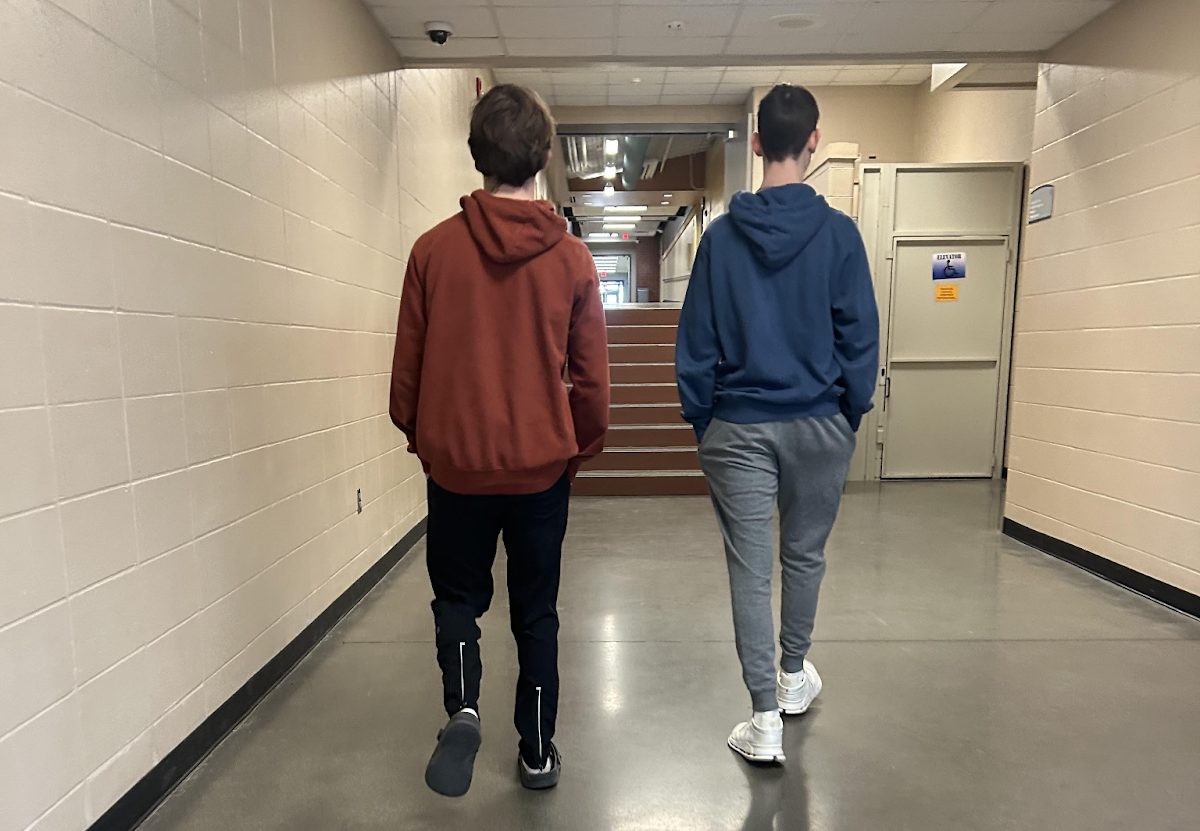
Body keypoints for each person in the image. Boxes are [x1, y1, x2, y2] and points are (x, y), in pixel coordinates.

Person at [389, 84, 610, 796]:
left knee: (457, 598)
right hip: (541, 471)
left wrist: (431, 444)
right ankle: (538, 749)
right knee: (537, 610)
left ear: (476, 155)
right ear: (544, 155)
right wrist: (572, 449)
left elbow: (406, 378)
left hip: (457, 470)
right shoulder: (573, 261)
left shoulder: (431, 252)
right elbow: (592, 382)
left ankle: (463, 703)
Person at [676, 84, 879, 764]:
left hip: (737, 426)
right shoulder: (842, 236)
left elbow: (696, 342)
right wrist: (848, 412)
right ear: (813, 141)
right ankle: (794, 674)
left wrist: (704, 419)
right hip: (821, 420)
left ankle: (765, 718)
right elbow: (859, 338)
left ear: (757, 142)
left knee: (749, 568)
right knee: (805, 554)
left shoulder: (721, 240)